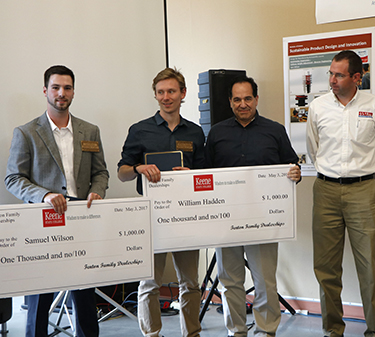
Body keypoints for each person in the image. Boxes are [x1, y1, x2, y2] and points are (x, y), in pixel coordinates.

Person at [5, 65, 109, 337]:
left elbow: (100, 172)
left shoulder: (90, 130)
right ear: (45, 91)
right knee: (41, 298)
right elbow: (14, 179)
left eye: (67, 88)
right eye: (56, 87)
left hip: (81, 222)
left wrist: (97, 190)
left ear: (73, 91)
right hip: (45, 223)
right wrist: (45, 195)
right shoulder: (26, 132)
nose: (61, 93)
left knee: (85, 296)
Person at [205, 76, 301, 337]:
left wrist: (295, 173)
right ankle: (236, 331)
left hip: (264, 221)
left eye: (248, 98)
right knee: (230, 281)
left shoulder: (275, 130)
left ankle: (265, 331)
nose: (243, 104)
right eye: (237, 99)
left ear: (256, 99)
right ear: (230, 102)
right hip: (227, 220)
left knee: (265, 281)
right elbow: (206, 174)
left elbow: (291, 166)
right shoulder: (216, 133)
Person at [117, 67, 204, 337]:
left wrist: (192, 176)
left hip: (187, 216)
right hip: (151, 215)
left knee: (190, 283)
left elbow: (206, 177)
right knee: (149, 282)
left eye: (171, 91)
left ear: (183, 94)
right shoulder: (140, 130)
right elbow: (121, 172)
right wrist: (139, 169)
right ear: (155, 95)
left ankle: (192, 333)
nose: (166, 97)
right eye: (161, 92)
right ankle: (152, 333)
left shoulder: (196, 133)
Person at [306, 50, 375, 337]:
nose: (332, 79)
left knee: (370, 265)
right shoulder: (318, 107)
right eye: (330, 74)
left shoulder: (372, 104)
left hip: (364, 190)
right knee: (326, 268)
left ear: (357, 77)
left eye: (339, 74)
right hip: (326, 190)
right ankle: (333, 329)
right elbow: (314, 148)